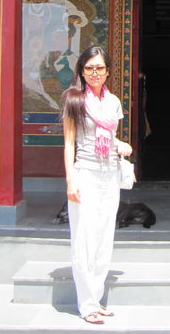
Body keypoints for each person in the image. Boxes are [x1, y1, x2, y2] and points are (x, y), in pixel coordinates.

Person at [62, 45, 132, 324]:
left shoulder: (113, 102)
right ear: (81, 70)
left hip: (109, 174)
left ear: (108, 71)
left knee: (104, 237)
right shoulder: (74, 100)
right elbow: (70, 144)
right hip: (86, 173)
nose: (94, 73)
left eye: (100, 68)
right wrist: (70, 181)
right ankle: (86, 303)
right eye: (89, 67)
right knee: (84, 239)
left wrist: (120, 144)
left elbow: (109, 137)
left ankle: (97, 297)